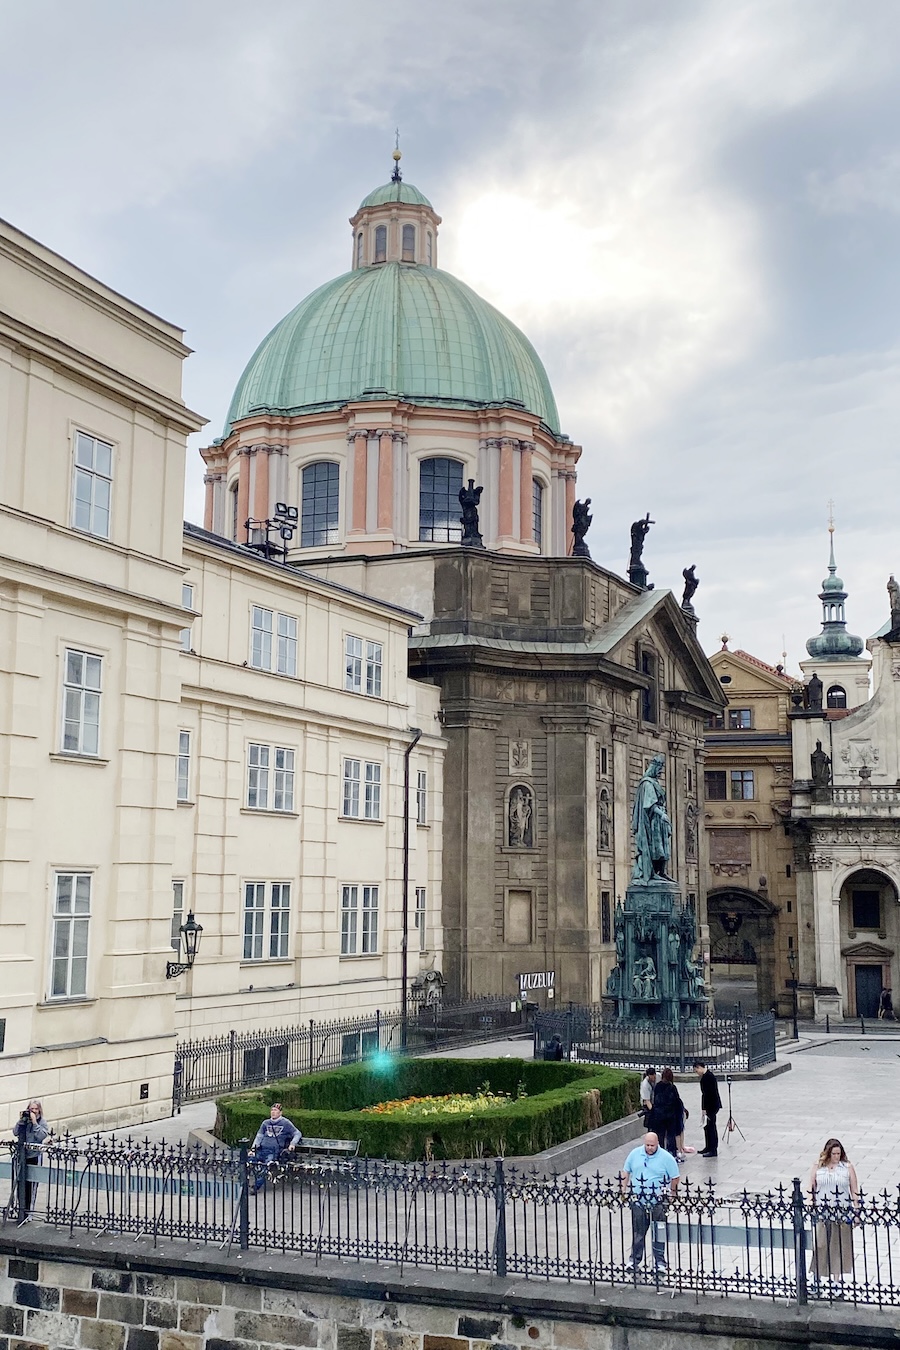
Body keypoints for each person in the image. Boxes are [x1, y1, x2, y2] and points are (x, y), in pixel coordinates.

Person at [620, 1132, 679, 1272]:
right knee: (638, 1231)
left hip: (657, 1200)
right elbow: (626, 1171)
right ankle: (634, 1260)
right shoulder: (635, 1154)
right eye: (647, 1145)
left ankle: (660, 1263)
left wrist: (672, 1193)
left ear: (657, 1143)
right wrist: (623, 1190)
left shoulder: (666, 1157)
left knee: (659, 1231)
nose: (650, 1148)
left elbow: (675, 1176)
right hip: (639, 1199)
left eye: (652, 1145)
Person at [808, 1138, 859, 1293]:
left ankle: (836, 1281)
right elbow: (811, 1187)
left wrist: (856, 1211)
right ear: (828, 1153)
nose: (836, 1156)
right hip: (823, 1211)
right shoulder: (818, 1167)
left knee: (838, 1246)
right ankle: (816, 1277)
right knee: (821, 1244)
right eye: (834, 1153)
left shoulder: (847, 1167)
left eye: (839, 1153)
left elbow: (854, 1190)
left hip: (841, 1211)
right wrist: (811, 1203)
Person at [250, 1103, 302, 1192]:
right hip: (261, 1149)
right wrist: (253, 1149)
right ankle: (244, 1184)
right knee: (249, 1161)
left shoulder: (285, 1123)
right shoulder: (265, 1123)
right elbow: (259, 1136)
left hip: (274, 1151)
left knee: (267, 1165)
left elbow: (297, 1133)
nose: (273, 1112)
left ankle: (256, 1186)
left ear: (280, 1113)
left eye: (275, 1110)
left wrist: (292, 1143)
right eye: (272, 1110)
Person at [12, 1099, 52, 1215]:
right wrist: (21, 1121)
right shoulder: (24, 1120)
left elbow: (41, 1136)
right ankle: (21, 1210)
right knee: (21, 1184)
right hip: (23, 1155)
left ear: (39, 1110)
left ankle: (30, 1211)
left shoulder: (42, 1122)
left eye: (35, 1109)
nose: (33, 1111)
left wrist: (35, 1123)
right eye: (31, 1109)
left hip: (34, 1156)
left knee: (32, 1185)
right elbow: (15, 1132)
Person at [650, 1068, 686, 1159]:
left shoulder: (658, 1086)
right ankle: (672, 1153)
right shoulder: (672, 1087)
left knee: (660, 1135)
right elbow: (676, 1101)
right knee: (671, 1135)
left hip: (659, 1115)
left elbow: (655, 1101)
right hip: (670, 1115)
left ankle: (660, 1152)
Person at [693, 1060, 722, 1158]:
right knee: (707, 1127)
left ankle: (713, 1149)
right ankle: (708, 1146)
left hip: (712, 1106)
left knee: (711, 1127)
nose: (697, 1073)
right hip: (709, 1105)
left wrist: (705, 1108)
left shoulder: (708, 1077)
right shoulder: (706, 1077)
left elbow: (708, 1095)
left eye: (696, 1070)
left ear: (699, 1067)